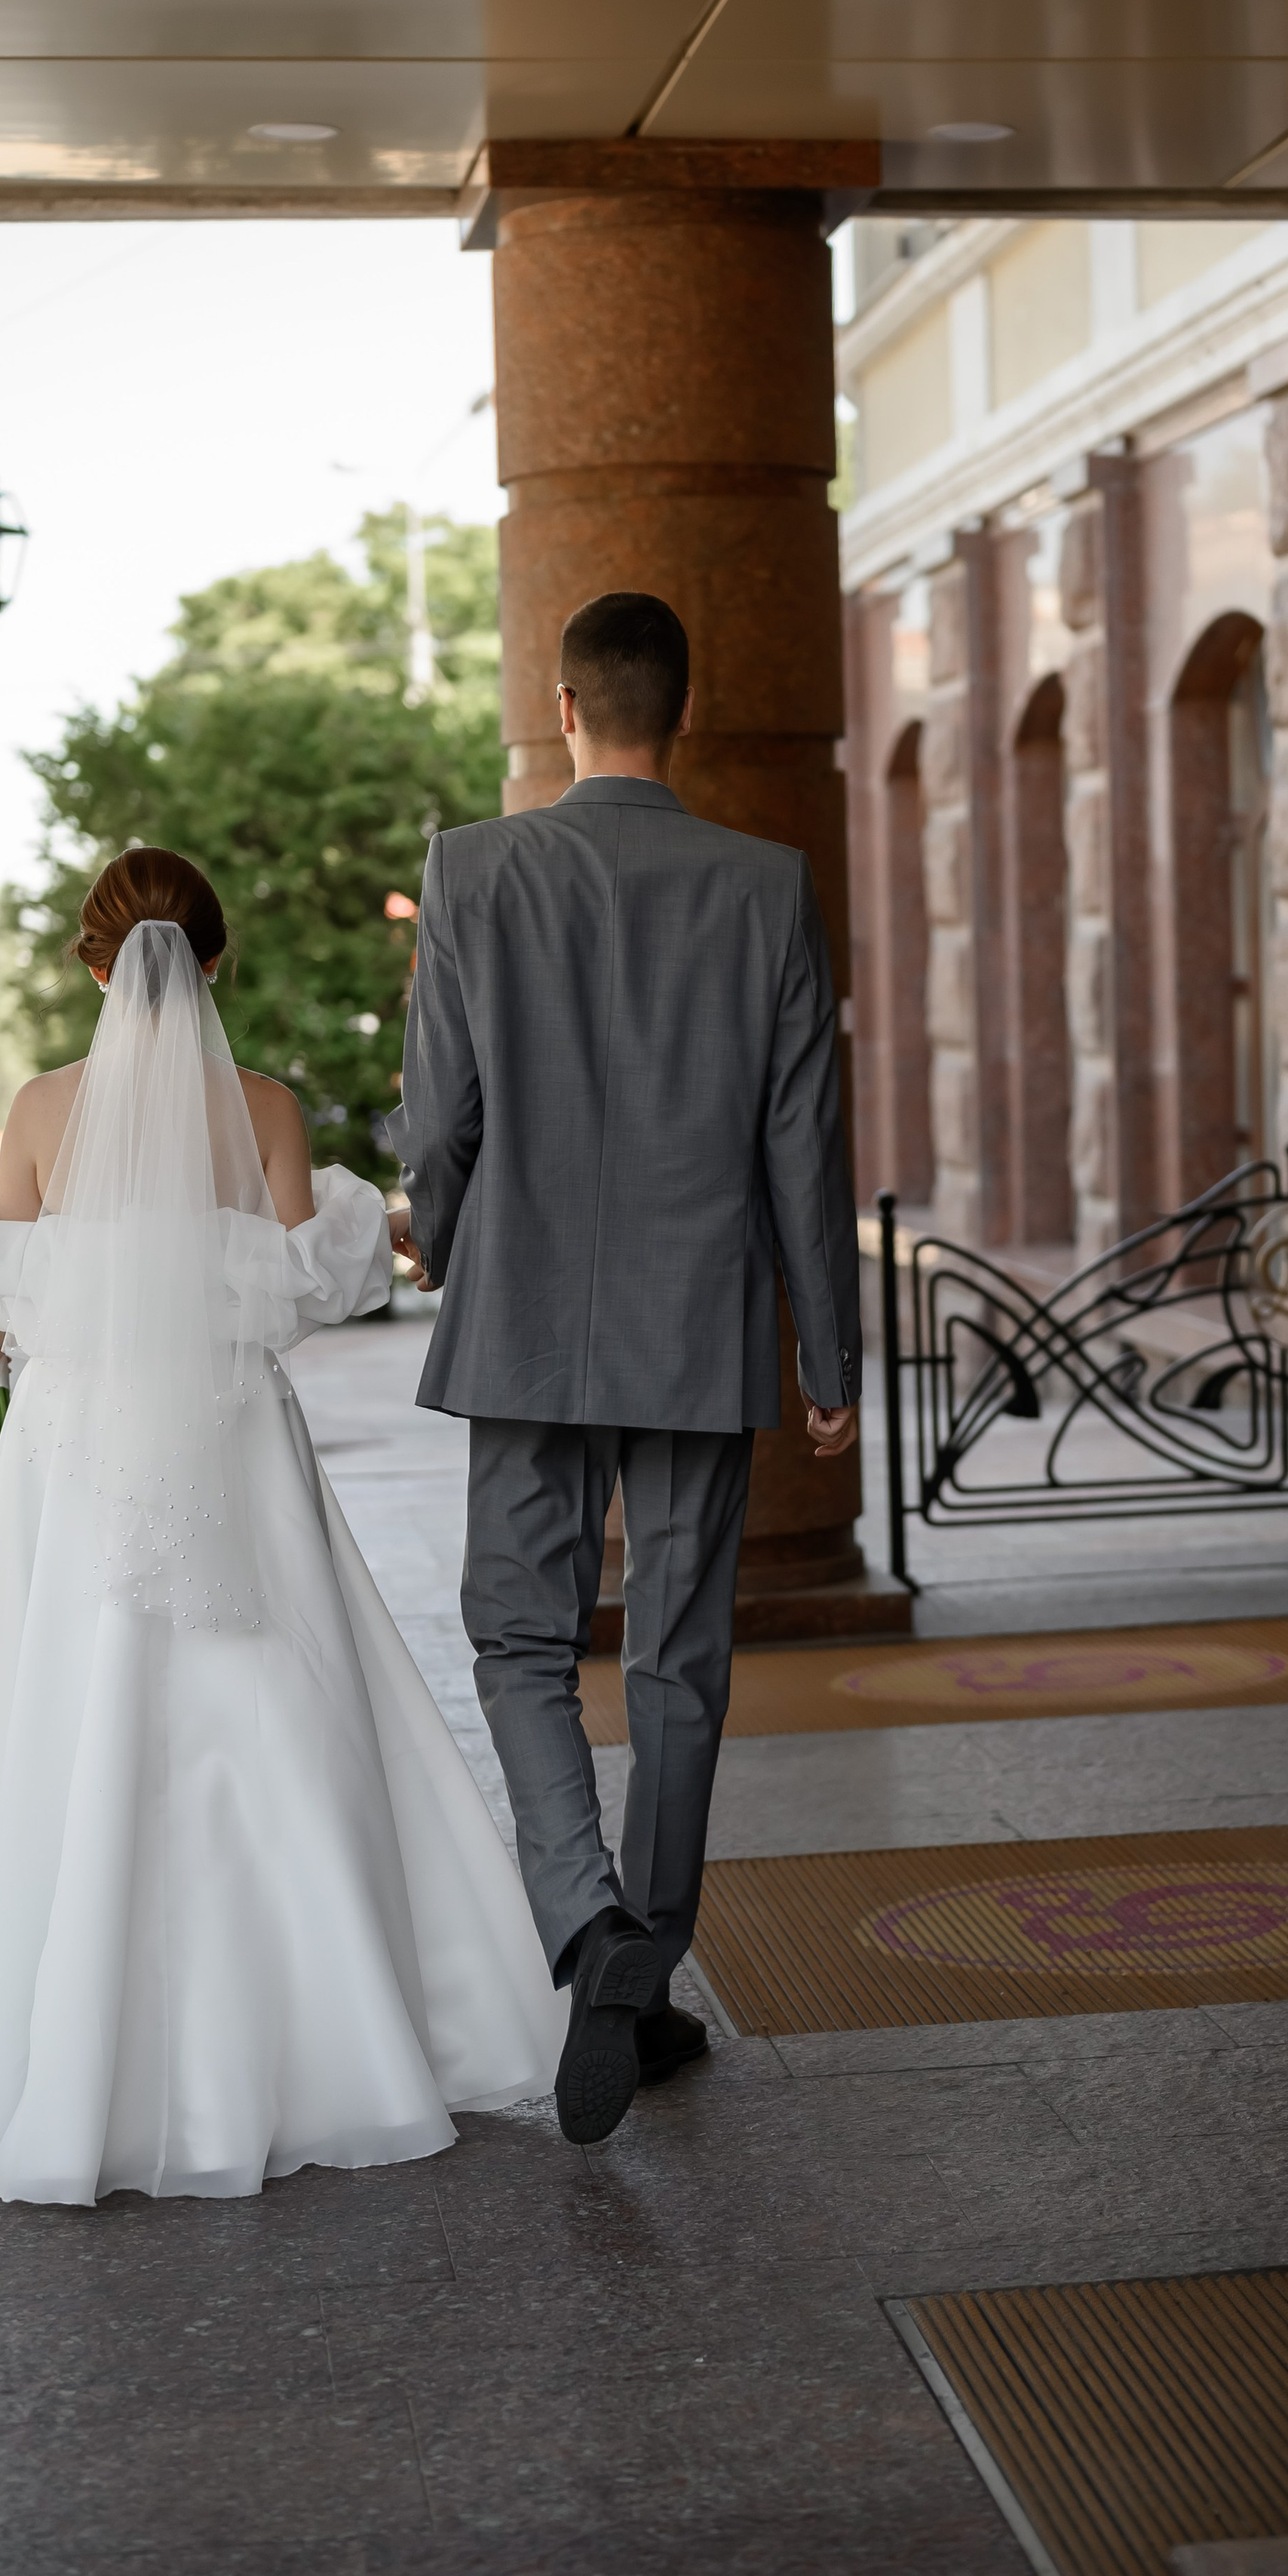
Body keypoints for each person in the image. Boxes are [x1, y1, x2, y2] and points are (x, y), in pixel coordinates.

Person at [0, 849, 563, 2207]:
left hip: (77, 1450)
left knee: (70, 1703)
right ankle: (324, 2039)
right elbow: (305, 1289)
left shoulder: (40, 1108)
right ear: (216, 961)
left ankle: (70, 2055)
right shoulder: (266, 1108)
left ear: (94, 966)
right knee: (271, 1708)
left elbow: (3, 1296)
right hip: (233, 1432)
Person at [388, 591, 860, 2148]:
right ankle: (642, 1976)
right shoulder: (767, 885)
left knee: (520, 1636)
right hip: (699, 1323)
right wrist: (828, 1348)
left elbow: (439, 1115)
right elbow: (804, 1141)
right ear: (687, 710)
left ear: (563, 706)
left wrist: (443, 1239)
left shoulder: (471, 869)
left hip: (525, 1315)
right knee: (679, 1656)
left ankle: (586, 1924)